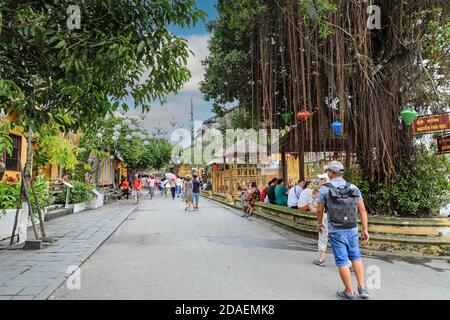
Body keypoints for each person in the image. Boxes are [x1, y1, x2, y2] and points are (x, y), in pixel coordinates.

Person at [316, 161, 370, 300]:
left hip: (336, 229)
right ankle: (362, 287)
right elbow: (362, 210)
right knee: (355, 256)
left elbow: (319, 209)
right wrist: (365, 230)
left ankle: (349, 291)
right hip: (352, 228)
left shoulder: (324, 189)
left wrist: (319, 223)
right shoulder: (353, 187)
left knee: (341, 260)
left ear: (330, 173)